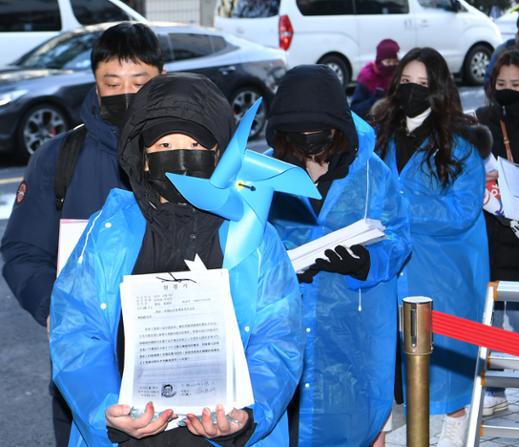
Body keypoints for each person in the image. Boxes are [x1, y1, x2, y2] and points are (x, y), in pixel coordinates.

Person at [50, 73, 306, 447]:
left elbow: (280, 336)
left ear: (218, 155)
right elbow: (75, 329)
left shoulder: (252, 235)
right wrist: (104, 410)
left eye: (196, 144)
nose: (181, 155)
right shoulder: (106, 232)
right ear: (144, 158)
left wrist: (249, 412)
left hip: (224, 436)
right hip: (129, 436)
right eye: (165, 143)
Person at [0, 22, 164, 447]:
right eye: (112, 82)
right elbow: (22, 250)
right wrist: (51, 307)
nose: (125, 93)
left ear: (161, 78)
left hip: (172, 347)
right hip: (85, 356)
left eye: (139, 81)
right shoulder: (60, 158)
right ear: (94, 82)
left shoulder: (185, 153)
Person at [266, 64, 411, 447]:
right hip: (282, 328)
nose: (307, 142)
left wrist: (366, 263)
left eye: (317, 132)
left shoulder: (370, 174)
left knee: (351, 427)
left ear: (337, 128)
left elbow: (399, 238)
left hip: (353, 335)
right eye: (297, 134)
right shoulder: (264, 171)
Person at [375, 47, 491, 447]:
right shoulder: (380, 132)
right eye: (406, 82)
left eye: (422, 84)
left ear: (438, 89)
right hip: (388, 270)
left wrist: (401, 207)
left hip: (440, 272)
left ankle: (457, 426)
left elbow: (461, 211)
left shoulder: (459, 143)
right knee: (390, 362)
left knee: (444, 362)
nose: (412, 91)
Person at [475, 49, 519, 416]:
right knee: (493, 316)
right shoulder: (483, 118)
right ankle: (496, 389)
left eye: (516, 84)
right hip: (490, 227)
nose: (508, 90)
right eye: (501, 83)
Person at [351, 39, 400, 120]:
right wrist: (373, 100)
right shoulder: (367, 77)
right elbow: (354, 110)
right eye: (388, 62)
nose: (392, 65)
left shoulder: (400, 76)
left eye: (395, 62)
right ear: (379, 61)